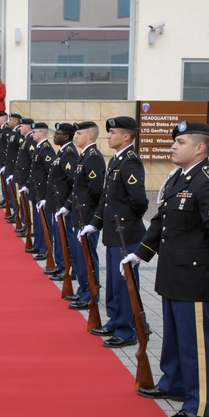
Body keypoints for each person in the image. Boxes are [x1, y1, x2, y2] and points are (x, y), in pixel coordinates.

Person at [123, 122, 209, 417]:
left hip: (196, 276)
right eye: (174, 141)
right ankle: (173, 382)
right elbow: (162, 220)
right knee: (174, 336)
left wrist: (199, 256)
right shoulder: (179, 179)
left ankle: (199, 404)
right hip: (173, 272)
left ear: (200, 148)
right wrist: (141, 253)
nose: (172, 146)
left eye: (180, 142)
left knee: (195, 342)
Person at [82, 116, 148, 348]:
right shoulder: (116, 160)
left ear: (126, 136)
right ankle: (115, 320)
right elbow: (107, 197)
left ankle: (127, 329)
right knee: (113, 280)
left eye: (113, 132)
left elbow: (139, 201)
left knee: (124, 282)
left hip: (125, 233)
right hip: (113, 231)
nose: (108, 135)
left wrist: (128, 221)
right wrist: (96, 223)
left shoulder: (130, 162)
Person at [67, 121, 105, 311]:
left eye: (79, 133)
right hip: (79, 215)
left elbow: (96, 191)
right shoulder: (84, 156)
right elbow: (78, 188)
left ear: (90, 136)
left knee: (87, 257)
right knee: (79, 256)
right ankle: (83, 290)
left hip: (88, 215)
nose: (76, 136)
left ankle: (91, 294)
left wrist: (93, 219)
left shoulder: (94, 158)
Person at [43, 122, 79, 281]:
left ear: (66, 137)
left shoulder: (70, 153)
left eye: (58, 134)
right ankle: (61, 265)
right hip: (58, 203)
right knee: (59, 236)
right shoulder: (62, 152)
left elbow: (73, 180)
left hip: (64, 204)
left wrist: (67, 204)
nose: (54, 136)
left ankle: (69, 268)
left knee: (66, 238)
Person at [27, 122, 53, 261]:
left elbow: (51, 173)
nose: (32, 134)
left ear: (42, 133)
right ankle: (38, 244)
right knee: (37, 221)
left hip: (42, 192)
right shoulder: (39, 148)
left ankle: (45, 248)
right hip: (36, 190)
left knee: (44, 223)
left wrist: (47, 196)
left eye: (35, 132)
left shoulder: (46, 149)